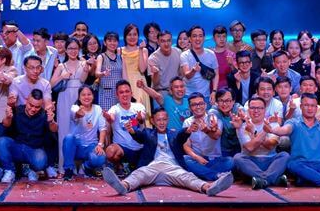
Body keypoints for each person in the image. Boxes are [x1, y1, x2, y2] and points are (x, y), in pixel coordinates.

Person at [101, 108, 236, 197]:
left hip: (173, 168)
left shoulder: (174, 134)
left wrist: (188, 131)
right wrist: (131, 131)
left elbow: (181, 136)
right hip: (152, 167)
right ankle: (122, 186)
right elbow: (139, 136)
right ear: (153, 121)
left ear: (168, 120)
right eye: (158, 120)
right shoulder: (148, 133)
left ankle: (209, 188)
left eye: (164, 119)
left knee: (188, 177)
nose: (162, 122)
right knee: (138, 174)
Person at [0, 89, 56, 183]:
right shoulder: (17, 110)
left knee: (41, 162)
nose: (33, 109)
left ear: (41, 105)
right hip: (17, 147)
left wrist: (51, 121)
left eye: (37, 107)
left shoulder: (44, 114)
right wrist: (8, 117)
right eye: (31, 105)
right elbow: (5, 124)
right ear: (26, 100)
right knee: (1, 142)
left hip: (34, 149)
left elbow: (54, 129)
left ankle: (32, 170)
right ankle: (10, 171)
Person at [232, 96, 290, 189]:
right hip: (251, 162)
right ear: (248, 110)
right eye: (253, 108)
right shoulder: (242, 126)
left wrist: (254, 132)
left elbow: (270, 146)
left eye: (259, 108)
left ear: (265, 109)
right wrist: (262, 132)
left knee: (284, 155)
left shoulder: (273, 124)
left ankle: (262, 180)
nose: (256, 111)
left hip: (270, 162)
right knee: (238, 157)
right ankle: (273, 179)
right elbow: (250, 148)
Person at [50, 39, 89, 169]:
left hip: (80, 97)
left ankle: (80, 166)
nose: (73, 51)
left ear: (79, 50)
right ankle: (65, 166)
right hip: (64, 98)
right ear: (66, 50)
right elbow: (51, 84)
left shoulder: (84, 63)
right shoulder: (61, 66)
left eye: (75, 48)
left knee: (81, 130)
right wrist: (62, 76)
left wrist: (87, 69)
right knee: (64, 130)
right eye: (70, 48)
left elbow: (83, 80)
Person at [180, 93, 234, 181]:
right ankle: (216, 176)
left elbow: (216, 136)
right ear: (189, 108)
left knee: (230, 161)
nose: (198, 107)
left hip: (214, 160)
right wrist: (197, 157)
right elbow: (186, 145)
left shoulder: (214, 118)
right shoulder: (187, 122)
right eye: (194, 105)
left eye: (200, 103)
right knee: (185, 159)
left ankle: (203, 173)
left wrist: (206, 130)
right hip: (197, 160)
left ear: (205, 105)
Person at [103, 80, 151, 174]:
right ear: (117, 95)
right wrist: (108, 117)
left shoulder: (139, 106)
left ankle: (130, 166)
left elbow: (141, 119)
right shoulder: (114, 108)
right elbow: (111, 118)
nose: (124, 94)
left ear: (131, 93)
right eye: (121, 92)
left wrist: (139, 118)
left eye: (127, 91)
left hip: (140, 149)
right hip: (122, 149)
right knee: (110, 152)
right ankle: (119, 165)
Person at [62, 85, 108, 179]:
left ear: (93, 96)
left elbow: (102, 129)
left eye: (89, 94)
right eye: (83, 95)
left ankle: (86, 166)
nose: (86, 97)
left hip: (91, 145)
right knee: (68, 138)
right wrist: (80, 113)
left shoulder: (98, 108)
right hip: (77, 146)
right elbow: (77, 114)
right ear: (79, 97)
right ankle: (68, 169)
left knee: (100, 159)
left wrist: (100, 145)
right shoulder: (74, 107)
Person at [119, 23, 150, 122]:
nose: (132, 37)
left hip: (139, 84)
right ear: (125, 36)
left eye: (135, 34)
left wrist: (140, 50)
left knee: (140, 113)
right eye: (129, 34)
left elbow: (142, 69)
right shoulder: (119, 50)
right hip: (124, 83)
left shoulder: (144, 50)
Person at [180, 25, 218, 102]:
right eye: (194, 36)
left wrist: (214, 92)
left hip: (205, 96)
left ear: (204, 38)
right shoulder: (184, 55)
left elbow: (216, 74)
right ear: (190, 39)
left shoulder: (211, 54)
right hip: (188, 96)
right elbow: (187, 75)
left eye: (200, 36)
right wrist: (193, 70)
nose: (197, 39)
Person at [147, 31, 181, 101]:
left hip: (177, 91)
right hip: (161, 92)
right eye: (163, 41)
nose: (166, 44)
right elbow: (155, 83)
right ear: (158, 42)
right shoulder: (153, 58)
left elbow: (182, 75)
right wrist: (156, 73)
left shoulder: (178, 52)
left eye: (168, 40)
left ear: (171, 41)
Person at [96, 32, 124, 111]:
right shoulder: (101, 57)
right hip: (106, 94)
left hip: (119, 93)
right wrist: (103, 73)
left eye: (115, 41)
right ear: (105, 43)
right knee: (106, 116)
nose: (112, 43)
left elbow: (124, 77)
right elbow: (97, 73)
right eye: (110, 41)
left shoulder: (121, 58)